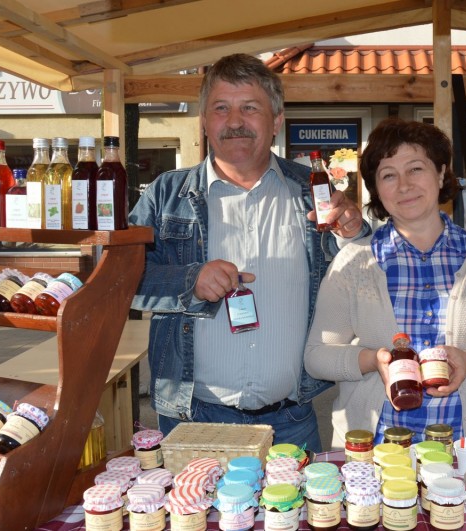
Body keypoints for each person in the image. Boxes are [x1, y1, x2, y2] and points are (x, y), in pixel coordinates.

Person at [129, 53, 368, 453]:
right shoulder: (165, 194)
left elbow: (363, 278)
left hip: (291, 422)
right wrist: (189, 281)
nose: (235, 121)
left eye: (250, 108)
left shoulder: (313, 191)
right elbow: (120, 280)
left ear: (276, 121)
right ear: (204, 121)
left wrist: (354, 235)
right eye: (221, 108)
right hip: (192, 420)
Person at [304, 118, 466, 449]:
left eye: (415, 169)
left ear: (441, 173)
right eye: (388, 175)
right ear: (376, 188)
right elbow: (317, 356)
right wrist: (372, 360)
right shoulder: (354, 263)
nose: (404, 185)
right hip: (373, 453)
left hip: (460, 450)